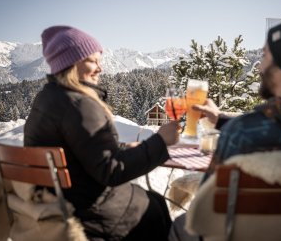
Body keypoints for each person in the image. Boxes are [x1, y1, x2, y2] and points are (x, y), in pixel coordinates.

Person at [24, 26, 180, 241]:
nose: (100, 68)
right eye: (92, 61)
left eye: (100, 61)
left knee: (154, 201)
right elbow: (112, 171)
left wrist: (124, 149)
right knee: (154, 205)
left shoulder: (47, 98)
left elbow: (79, 151)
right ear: (71, 63)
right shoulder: (79, 104)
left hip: (59, 202)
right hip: (91, 212)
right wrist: (161, 141)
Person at [169, 20, 281, 241]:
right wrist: (220, 120)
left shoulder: (242, 131)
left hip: (240, 234)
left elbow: (207, 206)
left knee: (178, 225)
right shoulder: (243, 129)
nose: (259, 66)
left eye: (265, 56)